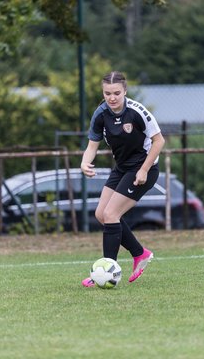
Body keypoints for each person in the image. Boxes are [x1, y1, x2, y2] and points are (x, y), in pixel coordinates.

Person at [81, 71, 165, 287]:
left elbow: (159, 141)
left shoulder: (137, 112)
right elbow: (92, 145)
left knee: (110, 214)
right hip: (121, 169)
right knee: (102, 214)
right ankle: (139, 253)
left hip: (143, 169)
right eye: (107, 93)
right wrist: (84, 162)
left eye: (116, 93)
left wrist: (144, 170)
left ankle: (105, 272)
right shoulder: (100, 114)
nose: (112, 97)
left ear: (125, 91)